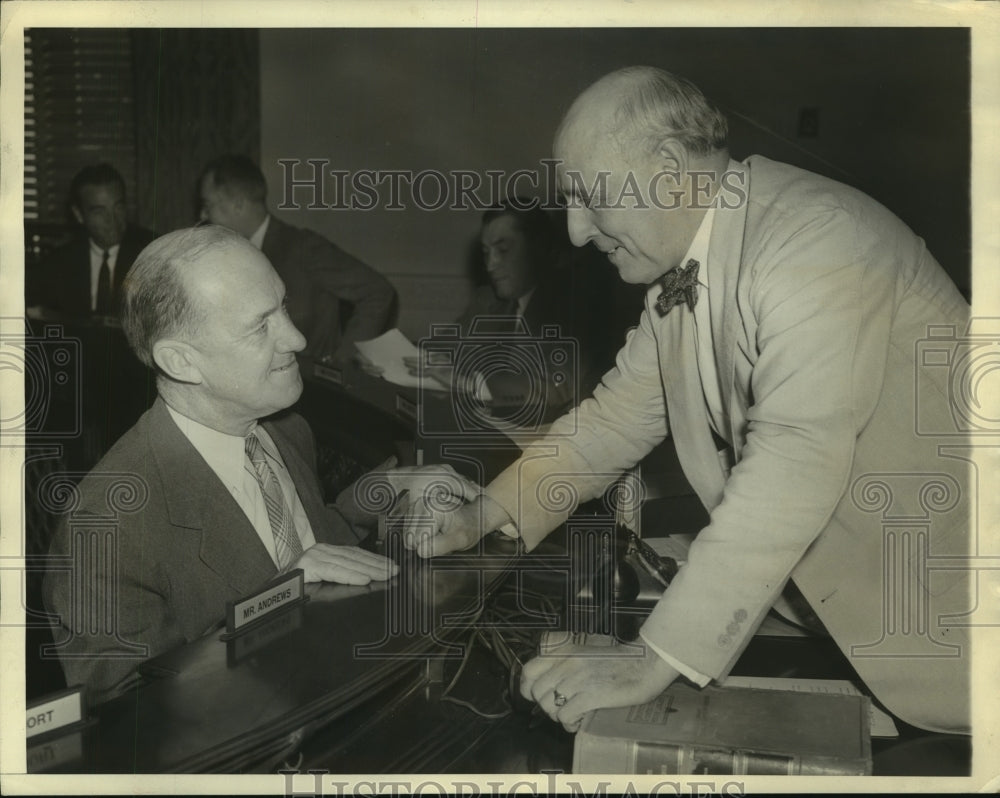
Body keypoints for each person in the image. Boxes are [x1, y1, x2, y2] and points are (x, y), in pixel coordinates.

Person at [403, 67, 972, 735]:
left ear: (669, 167)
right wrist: (483, 515)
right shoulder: (693, 264)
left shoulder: (817, 238)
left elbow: (794, 465)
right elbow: (610, 425)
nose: (579, 232)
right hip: (857, 620)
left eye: (590, 198)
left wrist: (647, 660)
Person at [42, 225, 471, 705]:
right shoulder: (105, 521)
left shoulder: (285, 427)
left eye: (283, 307)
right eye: (260, 325)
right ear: (182, 362)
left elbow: (316, 538)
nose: (298, 338)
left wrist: (391, 485)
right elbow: (126, 716)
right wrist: (272, 603)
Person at [404, 200, 621, 421]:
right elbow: (445, 344)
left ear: (539, 248)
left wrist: (467, 383)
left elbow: (556, 386)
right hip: (488, 431)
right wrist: (394, 356)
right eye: (486, 252)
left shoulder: (574, 304)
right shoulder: (488, 300)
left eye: (503, 250)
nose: (490, 265)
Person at [198, 154, 397, 365]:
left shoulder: (302, 247)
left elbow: (378, 291)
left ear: (238, 205)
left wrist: (344, 361)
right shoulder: (228, 255)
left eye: (208, 205)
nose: (203, 215)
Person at [26, 163, 156, 317]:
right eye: (99, 211)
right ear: (79, 215)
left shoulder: (153, 254)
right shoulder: (59, 262)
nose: (112, 219)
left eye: (118, 207)